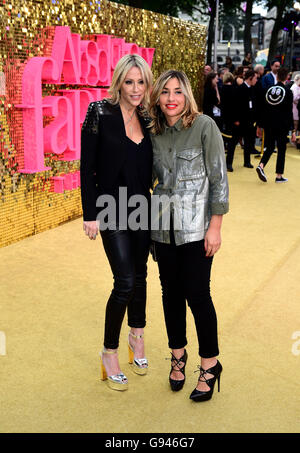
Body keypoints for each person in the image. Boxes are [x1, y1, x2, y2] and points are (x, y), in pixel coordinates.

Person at [149, 70, 229, 402]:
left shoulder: (204, 126)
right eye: (165, 92)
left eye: (177, 91)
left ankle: (210, 364)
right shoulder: (152, 132)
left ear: (187, 96)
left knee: (197, 294)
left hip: (197, 230)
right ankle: (177, 355)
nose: (171, 98)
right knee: (170, 294)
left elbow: (219, 178)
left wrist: (215, 228)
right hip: (161, 229)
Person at [80, 54, 153, 391]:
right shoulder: (99, 113)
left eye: (141, 82)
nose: (135, 89)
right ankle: (109, 352)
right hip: (111, 208)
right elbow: (87, 168)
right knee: (124, 281)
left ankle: (136, 336)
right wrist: (90, 213)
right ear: (119, 81)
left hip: (143, 207)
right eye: (129, 82)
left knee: (141, 276)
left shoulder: (150, 119)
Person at [256, 67, 296, 183]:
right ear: (287, 77)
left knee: (270, 146)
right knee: (281, 149)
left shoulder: (268, 90)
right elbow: (289, 112)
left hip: (269, 123)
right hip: (282, 124)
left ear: (277, 76)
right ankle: (279, 175)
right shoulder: (288, 92)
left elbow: (262, 109)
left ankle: (261, 165)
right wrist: (292, 130)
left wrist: (260, 125)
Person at [236, 69, 258, 168]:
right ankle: (228, 163)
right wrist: (236, 120)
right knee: (234, 141)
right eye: (255, 78)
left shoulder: (252, 88)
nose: (256, 80)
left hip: (250, 120)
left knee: (248, 141)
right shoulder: (240, 88)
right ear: (250, 78)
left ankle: (247, 161)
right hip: (240, 120)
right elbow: (237, 106)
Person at [220, 71, 240, 171]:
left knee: (222, 141)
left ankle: (221, 163)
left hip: (223, 117)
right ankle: (228, 163)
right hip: (232, 119)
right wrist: (236, 119)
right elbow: (235, 106)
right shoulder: (234, 89)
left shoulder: (221, 89)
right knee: (232, 142)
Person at [290, 74, 300, 149]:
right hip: (294, 108)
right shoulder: (294, 87)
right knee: (295, 125)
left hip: (296, 108)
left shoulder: (297, 86)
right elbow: (294, 98)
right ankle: (293, 140)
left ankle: (295, 140)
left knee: (296, 124)